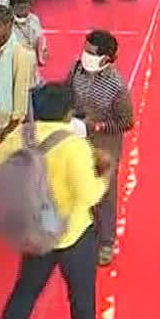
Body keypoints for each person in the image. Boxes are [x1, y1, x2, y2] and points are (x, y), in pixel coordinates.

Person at [0, 83, 110, 319]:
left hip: (38, 231)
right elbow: (88, 195)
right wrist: (104, 177)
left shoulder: (22, 135)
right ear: (68, 113)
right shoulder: (74, 146)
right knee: (82, 299)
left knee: (25, 293)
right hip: (73, 234)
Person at [67, 30, 133, 266]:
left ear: (106, 58)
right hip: (78, 137)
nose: (84, 55)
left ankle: (106, 241)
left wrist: (96, 126)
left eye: (90, 53)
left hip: (105, 144)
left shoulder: (117, 87)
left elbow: (126, 122)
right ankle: (86, 233)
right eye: (84, 49)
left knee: (104, 193)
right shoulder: (77, 69)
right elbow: (68, 94)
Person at [0, 6, 35, 145]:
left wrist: (11, 127)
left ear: (9, 25)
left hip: (10, 121)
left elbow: (20, 93)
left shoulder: (21, 53)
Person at [11, 0, 48, 79]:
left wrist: (43, 52)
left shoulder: (34, 20)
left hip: (32, 62)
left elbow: (40, 39)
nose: (23, 10)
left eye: (26, 7)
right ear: (12, 8)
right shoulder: (9, 23)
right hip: (15, 63)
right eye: (20, 7)